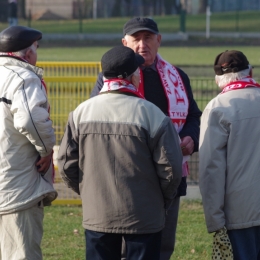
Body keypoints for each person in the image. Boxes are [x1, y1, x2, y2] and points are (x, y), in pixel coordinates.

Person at [90, 17, 202, 259]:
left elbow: (194, 115)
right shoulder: (107, 79)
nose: (142, 44)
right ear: (124, 43)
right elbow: (95, 122)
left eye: (148, 37)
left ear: (159, 40)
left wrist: (191, 138)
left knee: (163, 244)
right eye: (136, 39)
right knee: (126, 246)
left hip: (169, 175)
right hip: (126, 176)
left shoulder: (178, 77)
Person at [57, 45, 183, 260]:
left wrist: (88, 192)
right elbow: (171, 168)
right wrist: (160, 199)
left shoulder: (80, 113)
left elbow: (66, 163)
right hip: (144, 216)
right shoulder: (153, 114)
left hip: (98, 213)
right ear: (134, 76)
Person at [0, 26, 57, 260]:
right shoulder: (23, 77)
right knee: (21, 254)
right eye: (36, 47)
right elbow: (31, 119)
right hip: (17, 185)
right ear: (28, 53)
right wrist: (46, 149)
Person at [199, 50, 260, 259]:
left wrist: (215, 219)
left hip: (239, 214)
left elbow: (211, 168)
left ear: (218, 81)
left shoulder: (218, 107)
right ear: (250, 71)